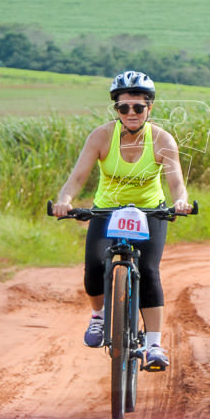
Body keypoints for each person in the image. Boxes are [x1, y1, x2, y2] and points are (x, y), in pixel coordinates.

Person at [52, 70, 192, 370]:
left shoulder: (162, 140)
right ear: (116, 109)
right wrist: (65, 201)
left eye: (138, 107)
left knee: (149, 270)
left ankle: (154, 345)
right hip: (107, 211)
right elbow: (77, 178)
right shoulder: (101, 136)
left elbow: (176, 181)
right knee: (94, 265)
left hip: (150, 212)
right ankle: (99, 318)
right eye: (123, 107)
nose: (131, 113)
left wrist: (180, 201)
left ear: (149, 108)